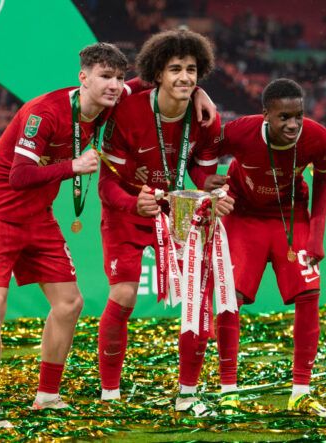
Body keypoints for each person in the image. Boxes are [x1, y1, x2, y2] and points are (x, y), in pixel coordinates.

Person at [0, 41, 217, 428]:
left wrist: (198, 91)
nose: (114, 85)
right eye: (104, 77)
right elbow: (18, 176)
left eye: (118, 78)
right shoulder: (43, 112)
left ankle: (47, 396)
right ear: (82, 78)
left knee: (70, 304)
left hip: (38, 215)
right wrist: (71, 166)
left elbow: (156, 79)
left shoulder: (109, 104)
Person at [97, 29, 234, 417]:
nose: (185, 77)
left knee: (197, 298)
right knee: (123, 295)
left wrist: (214, 190)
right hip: (128, 210)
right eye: (175, 69)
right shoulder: (127, 109)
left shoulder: (206, 119)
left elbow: (201, 175)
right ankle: (110, 393)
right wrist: (133, 203)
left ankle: (187, 392)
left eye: (191, 70)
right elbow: (106, 183)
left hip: (177, 210)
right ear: (158, 73)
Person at [208, 78, 326, 417]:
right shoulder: (240, 131)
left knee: (309, 294)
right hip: (243, 214)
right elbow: (202, 153)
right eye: (284, 117)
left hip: (290, 216)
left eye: (299, 115)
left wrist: (316, 235)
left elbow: (324, 180)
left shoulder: (320, 138)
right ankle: (228, 391)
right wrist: (208, 187)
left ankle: (301, 392)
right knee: (230, 297)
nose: (293, 124)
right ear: (265, 115)